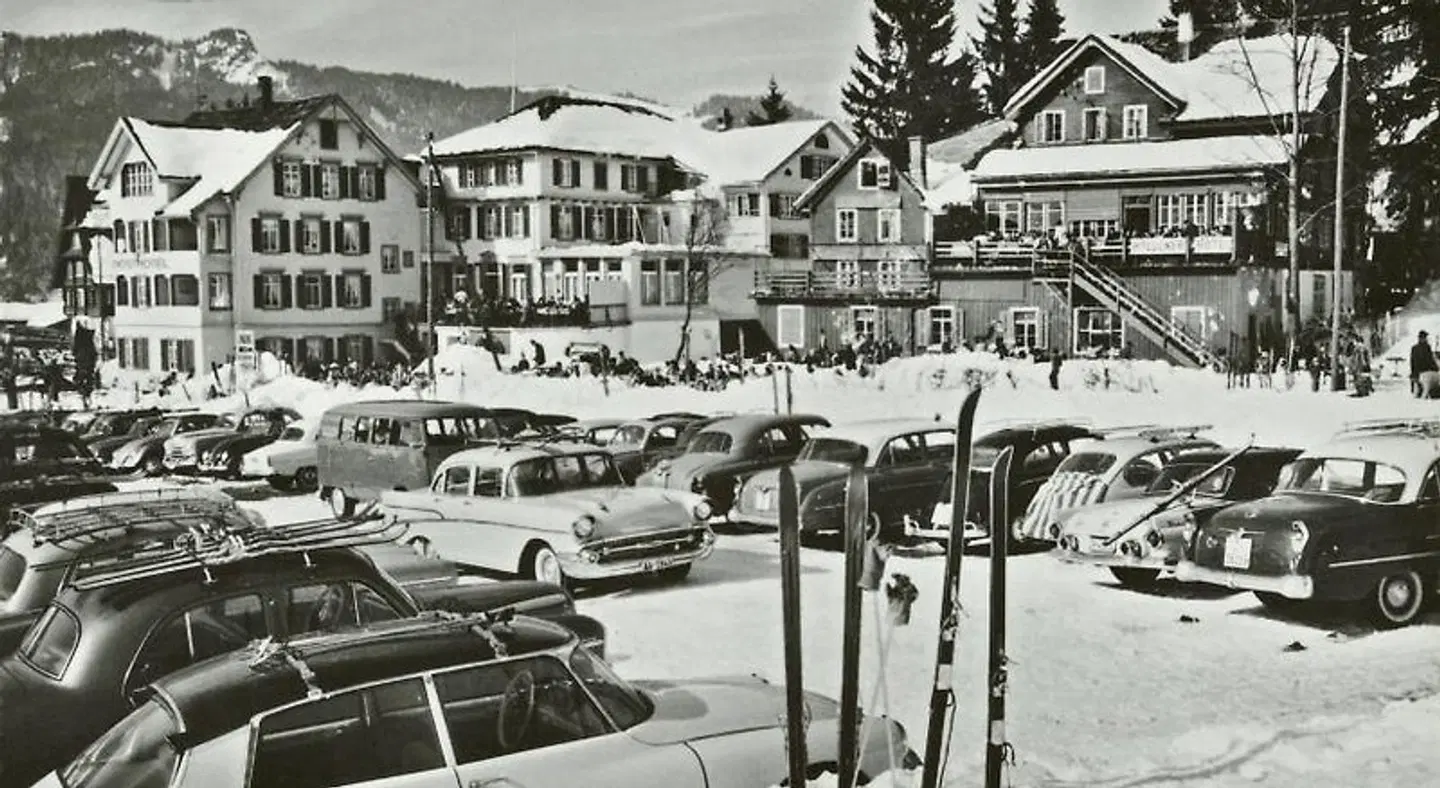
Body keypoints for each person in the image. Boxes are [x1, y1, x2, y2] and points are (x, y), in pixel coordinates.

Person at [1410, 331, 1437, 398]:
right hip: (1425, 372)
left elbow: (1412, 362)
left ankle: (1417, 392)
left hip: (1416, 373)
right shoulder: (1427, 347)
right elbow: (1429, 360)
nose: (1426, 339)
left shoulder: (1414, 348)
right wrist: (1436, 368)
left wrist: (1413, 373)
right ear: (1423, 338)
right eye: (1425, 338)